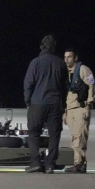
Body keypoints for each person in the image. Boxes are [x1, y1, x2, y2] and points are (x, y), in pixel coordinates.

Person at [23, 34, 68, 173]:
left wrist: (28, 101)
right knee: (54, 135)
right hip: (55, 103)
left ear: (41, 46)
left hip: (37, 103)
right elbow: (65, 86)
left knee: (33, 133)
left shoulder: (35, 62)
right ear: (54, 47)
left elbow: (28, 84)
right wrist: (63, 104)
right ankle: (50, 164)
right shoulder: (60, 63)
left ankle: (35, 162)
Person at [63, 49, 95, 173]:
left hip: (81, 107)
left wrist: (89, 104)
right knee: (74, 138)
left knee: (79, 137)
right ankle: (78, 163)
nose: (66, 60)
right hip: (70, 108)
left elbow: (92, 85)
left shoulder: (84, 69)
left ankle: (79, 164)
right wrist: (65, 111)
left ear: (75, 58)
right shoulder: (66, 73)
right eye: (65, 57)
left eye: (69, 57)